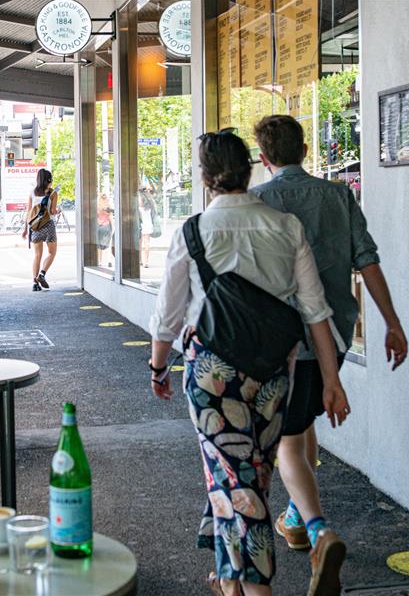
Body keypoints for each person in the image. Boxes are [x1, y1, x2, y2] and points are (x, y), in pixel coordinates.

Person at [148, 130, 349, 596]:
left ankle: (256, 590)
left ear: (205, 177)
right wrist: (332, 380)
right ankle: (228, 580)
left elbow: (167, 315)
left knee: (237, 478)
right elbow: (315, 310)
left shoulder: (193, 230)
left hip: (212, 377)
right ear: (249, 169)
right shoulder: (285, 226)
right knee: (247, 473)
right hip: (275, 377)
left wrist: (159, 368)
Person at [250, 115, 408, 579]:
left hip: (285, 343)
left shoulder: (260, 201)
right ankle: (298, 519)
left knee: (288, 440)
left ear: (264, 158)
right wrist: (392, 323)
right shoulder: (340, 196)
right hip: (335, 335)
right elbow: (368, 262)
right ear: (303, 149)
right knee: (304, 421)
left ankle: (316, 531)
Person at [21, 168, 61, 291]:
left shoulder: (32, 192)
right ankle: (42, 274)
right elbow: (53, 211)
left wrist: (25, 229)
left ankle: (34, 283)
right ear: (49, 180)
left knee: (37, 255)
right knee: (52, 253)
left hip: (35, 227)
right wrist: (58, 211)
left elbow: (29, 212)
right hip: (48, 225)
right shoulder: (53, 193)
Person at [138, 190, 156, 268]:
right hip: (148, 225)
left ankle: (140, 260)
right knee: (147, 243)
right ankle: (146, 261)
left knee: (139, 243)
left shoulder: (139, 207)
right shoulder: (150, 206)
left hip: (140, 225)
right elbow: (154, 215)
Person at [97, 191, 114, 268]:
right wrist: (113, 228)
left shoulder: (98, 206)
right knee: (108, 244)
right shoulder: (108, 207)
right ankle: (109, 261)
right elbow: (110, 218)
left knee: (99, 245)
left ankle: (99, 261)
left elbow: (96, 218)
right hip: (107, 227)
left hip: (99, 228)